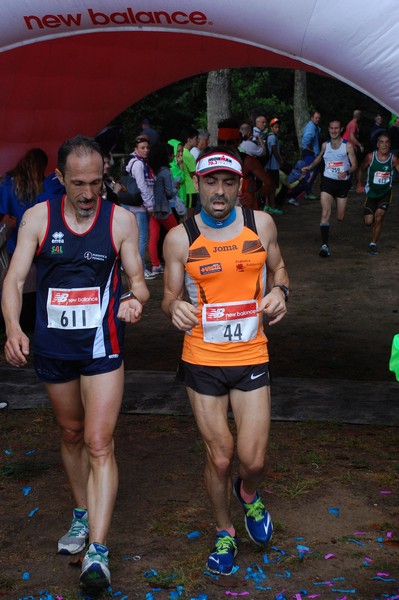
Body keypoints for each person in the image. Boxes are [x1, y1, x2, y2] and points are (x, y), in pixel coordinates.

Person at [1, 135, 150, 593]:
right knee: (70, 433)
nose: (88, 193)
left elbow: (140, 283)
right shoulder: (38, 219)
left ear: (106, 175)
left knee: (98, 441)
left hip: (102, 347)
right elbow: (14, 279)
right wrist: (12, 328)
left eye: (96, 182)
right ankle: (82, 514)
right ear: (60, 178)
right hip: (53, 348)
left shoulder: (121, 220)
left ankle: (98, 552)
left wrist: (133, 301)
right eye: (78, 183)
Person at [161, 146, 289, 576]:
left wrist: (280, 293)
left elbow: (281, 270)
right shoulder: (180, 237)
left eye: (229, 182)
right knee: (219, 455)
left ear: (240, 187)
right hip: (202, 358)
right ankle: (224, 531)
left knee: (251, 460)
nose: (220, 191)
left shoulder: (261, 225)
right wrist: (173, 308)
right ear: (196, 183)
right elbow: (168, 296)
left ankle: (248, 493)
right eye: (211, 181)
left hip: (251, 353)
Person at [0, 148, 49, 330]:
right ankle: (37, 318)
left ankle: (14, 322)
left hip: (16, 242)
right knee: (40, 280)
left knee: (15, 280)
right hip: (41, 241)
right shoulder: (44, 185)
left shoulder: (8, 183)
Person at [303, 119, 357, 257]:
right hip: (327, 182)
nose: (334, 131)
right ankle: (325, 245)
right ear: (329, 129)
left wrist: (346, 172)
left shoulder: (347, 146)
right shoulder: (325, 145)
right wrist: (309, 167)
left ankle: (336, 203)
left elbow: (355, 165)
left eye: (336, 128)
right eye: (331, 128)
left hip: (342, 184)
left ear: (341, 129)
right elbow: (319, 158)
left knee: (340, 217)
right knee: (325, 213)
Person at [116, 135, 157, 280]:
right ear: (136, 149)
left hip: (133, 206)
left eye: (147, 148)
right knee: (141, 239)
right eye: (142, 148)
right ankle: (141, 269)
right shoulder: (139, 164)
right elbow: (142, 187)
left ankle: (128, 265)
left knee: (132, 238)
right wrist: (150, 205)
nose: (146, 151)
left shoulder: (135, 162)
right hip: (140, 207)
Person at [356, 132, 399, 255]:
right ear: (377, 144)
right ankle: (374, 224)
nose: (384, 145)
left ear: (390, 144)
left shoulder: (393, 159)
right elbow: (361, 169)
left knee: (379, 217)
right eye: (381, 142)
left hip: (385, 192)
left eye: (387, 142)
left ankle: (373, 244)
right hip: (371, 193)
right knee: (368, 222)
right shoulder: (370, 157)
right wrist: (359, 183)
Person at [147, 143, 179, 272]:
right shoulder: (166, 172)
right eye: (172, 154)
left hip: (153, 209)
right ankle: (179, 260)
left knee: (153, 238)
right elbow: (170, 192)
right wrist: (176, 188)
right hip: (164, 209)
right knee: (177, 234)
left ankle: (155, 264)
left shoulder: (153, 170)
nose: (173, 156)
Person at [301, 111, 321, 199]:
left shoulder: (314, 127)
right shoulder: (311, 127)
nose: (317, 120)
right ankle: (306, 193)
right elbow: (305, 141)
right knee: (310, 173)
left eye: (318, 118)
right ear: (312, 118)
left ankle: (307, 192)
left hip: (311, 153)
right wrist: (311, 149)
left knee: (313, 173)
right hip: (309, 153)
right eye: (316, 118)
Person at [264, 118, 283, 214]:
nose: (277, 129)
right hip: (272, 166)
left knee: (270, 186)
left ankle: (268, 205)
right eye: (275, 127)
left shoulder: (272, 137)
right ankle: (272, 206)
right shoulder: (272, 138)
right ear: (271, 128)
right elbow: (274, 150)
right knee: (273, 186)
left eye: (278, 127)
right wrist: (280, 161)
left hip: (271, 166)